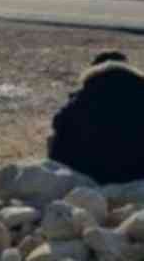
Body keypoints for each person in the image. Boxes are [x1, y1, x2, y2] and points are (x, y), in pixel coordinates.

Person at [49, 51, 144, 183]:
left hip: (88, 174)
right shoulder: (139, 90)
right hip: (136, 174)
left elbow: (59, 122)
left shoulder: (86, 95)